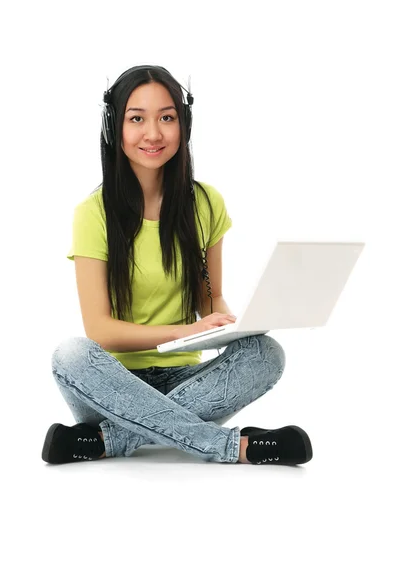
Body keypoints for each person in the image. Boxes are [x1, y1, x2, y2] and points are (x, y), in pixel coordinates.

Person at [42, 64, 313, 466]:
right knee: (70, 355)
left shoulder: (206, 203)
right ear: (114, 126)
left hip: (189, 381)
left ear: (184, 124)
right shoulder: (92, 213)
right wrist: (187, 330)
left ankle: (106, 441)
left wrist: (233, 325)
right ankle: (233, 447)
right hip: (112, 385)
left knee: (267, 353)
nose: (153, 134)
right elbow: (100, 331)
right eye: (137, 119)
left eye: (167, 118)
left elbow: (212, 298)